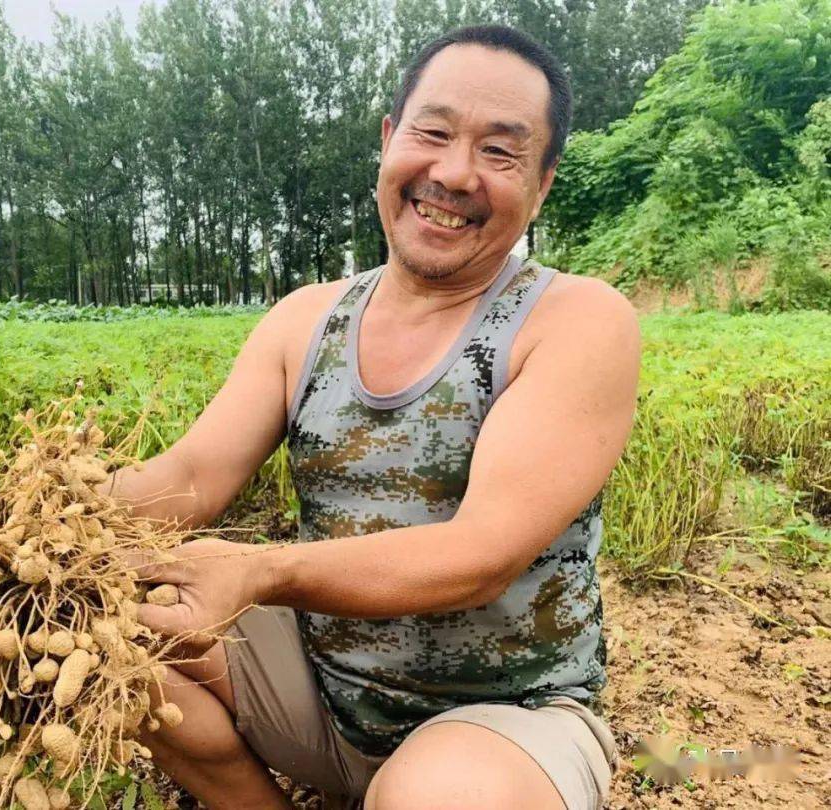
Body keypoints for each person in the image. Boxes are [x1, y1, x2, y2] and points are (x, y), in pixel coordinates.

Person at [99, 24, 640, 810]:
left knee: (437, 798)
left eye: (500, 152)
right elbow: (188, 477)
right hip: (323, 697)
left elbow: (481, 553)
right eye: (433, 132)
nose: (454, 173)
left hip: (502, 726)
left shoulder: (575, 320)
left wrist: (260, 569)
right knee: (95, 628)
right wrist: (16, 525)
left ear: (544, 182)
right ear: (389, 140)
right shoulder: (303, 320)